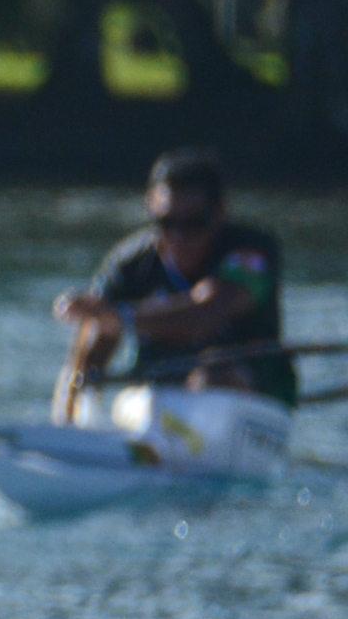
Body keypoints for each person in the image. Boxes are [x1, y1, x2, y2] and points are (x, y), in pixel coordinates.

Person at [50, 150, 294, 423]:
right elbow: (86, 360)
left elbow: (207, 313)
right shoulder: (129, 264)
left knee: (211, 378)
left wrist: (120, 316)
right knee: (121, 382)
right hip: (157, 401)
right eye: (165, 223)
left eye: (193, 224)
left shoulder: (250, 253)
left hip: (250, 400)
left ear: (220, 212)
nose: (178, 237)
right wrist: (68, 414)